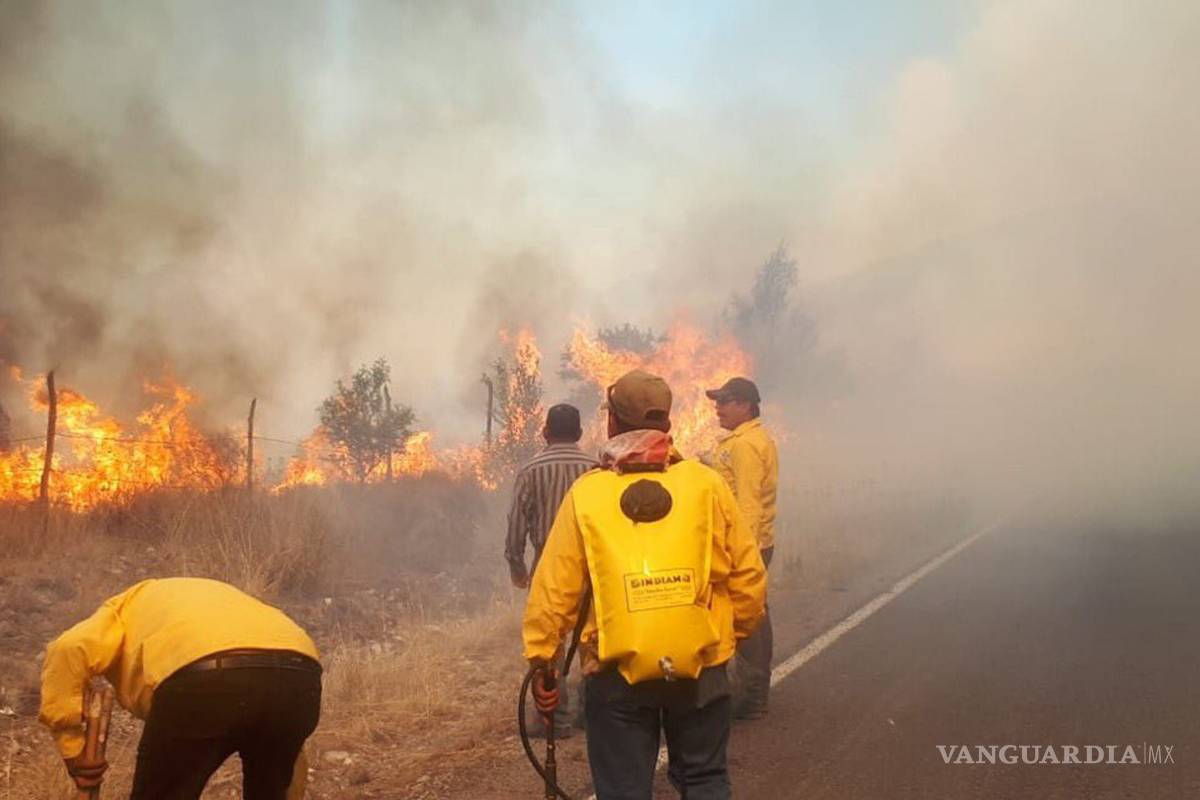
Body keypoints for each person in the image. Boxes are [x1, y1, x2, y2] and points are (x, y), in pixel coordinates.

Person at [523, 369, 766, 800]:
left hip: (617, 673)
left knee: (623, 790)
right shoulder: (705, 484)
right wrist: (723, 640)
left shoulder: (589, 493)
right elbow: (748, 578)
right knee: (705, 780)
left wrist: (544, 660)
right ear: (668, 425)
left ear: (613, 423)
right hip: (699, 665)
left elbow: (554, 590)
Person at [39, 577, 321, 800]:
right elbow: (291, 761)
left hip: (205, 682)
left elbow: (69, 648)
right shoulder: (224, 600)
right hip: (300, 673)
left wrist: (72, 748)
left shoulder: (122, 607)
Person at [505, 402, 597, 734]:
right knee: (593, 638)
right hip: (593, 566)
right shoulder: (597, 469)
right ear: (580, 433)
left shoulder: (531, 470)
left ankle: (553, 716)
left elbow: (516, 524)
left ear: (545, 432)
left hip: (549, 567)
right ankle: (594, 711)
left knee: (549, 641)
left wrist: (517, 566)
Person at [705, 376, 779, 720]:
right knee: (757, 613)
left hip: (747, 544)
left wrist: (741, 552)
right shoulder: (745, 440)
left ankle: (752, 696)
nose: (717, 408)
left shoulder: (745, 445)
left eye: (725, 401)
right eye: (717, 401)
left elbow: (748, 503)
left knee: (748, 617)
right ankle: (755, 691)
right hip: (754, 543)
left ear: (746, 405)